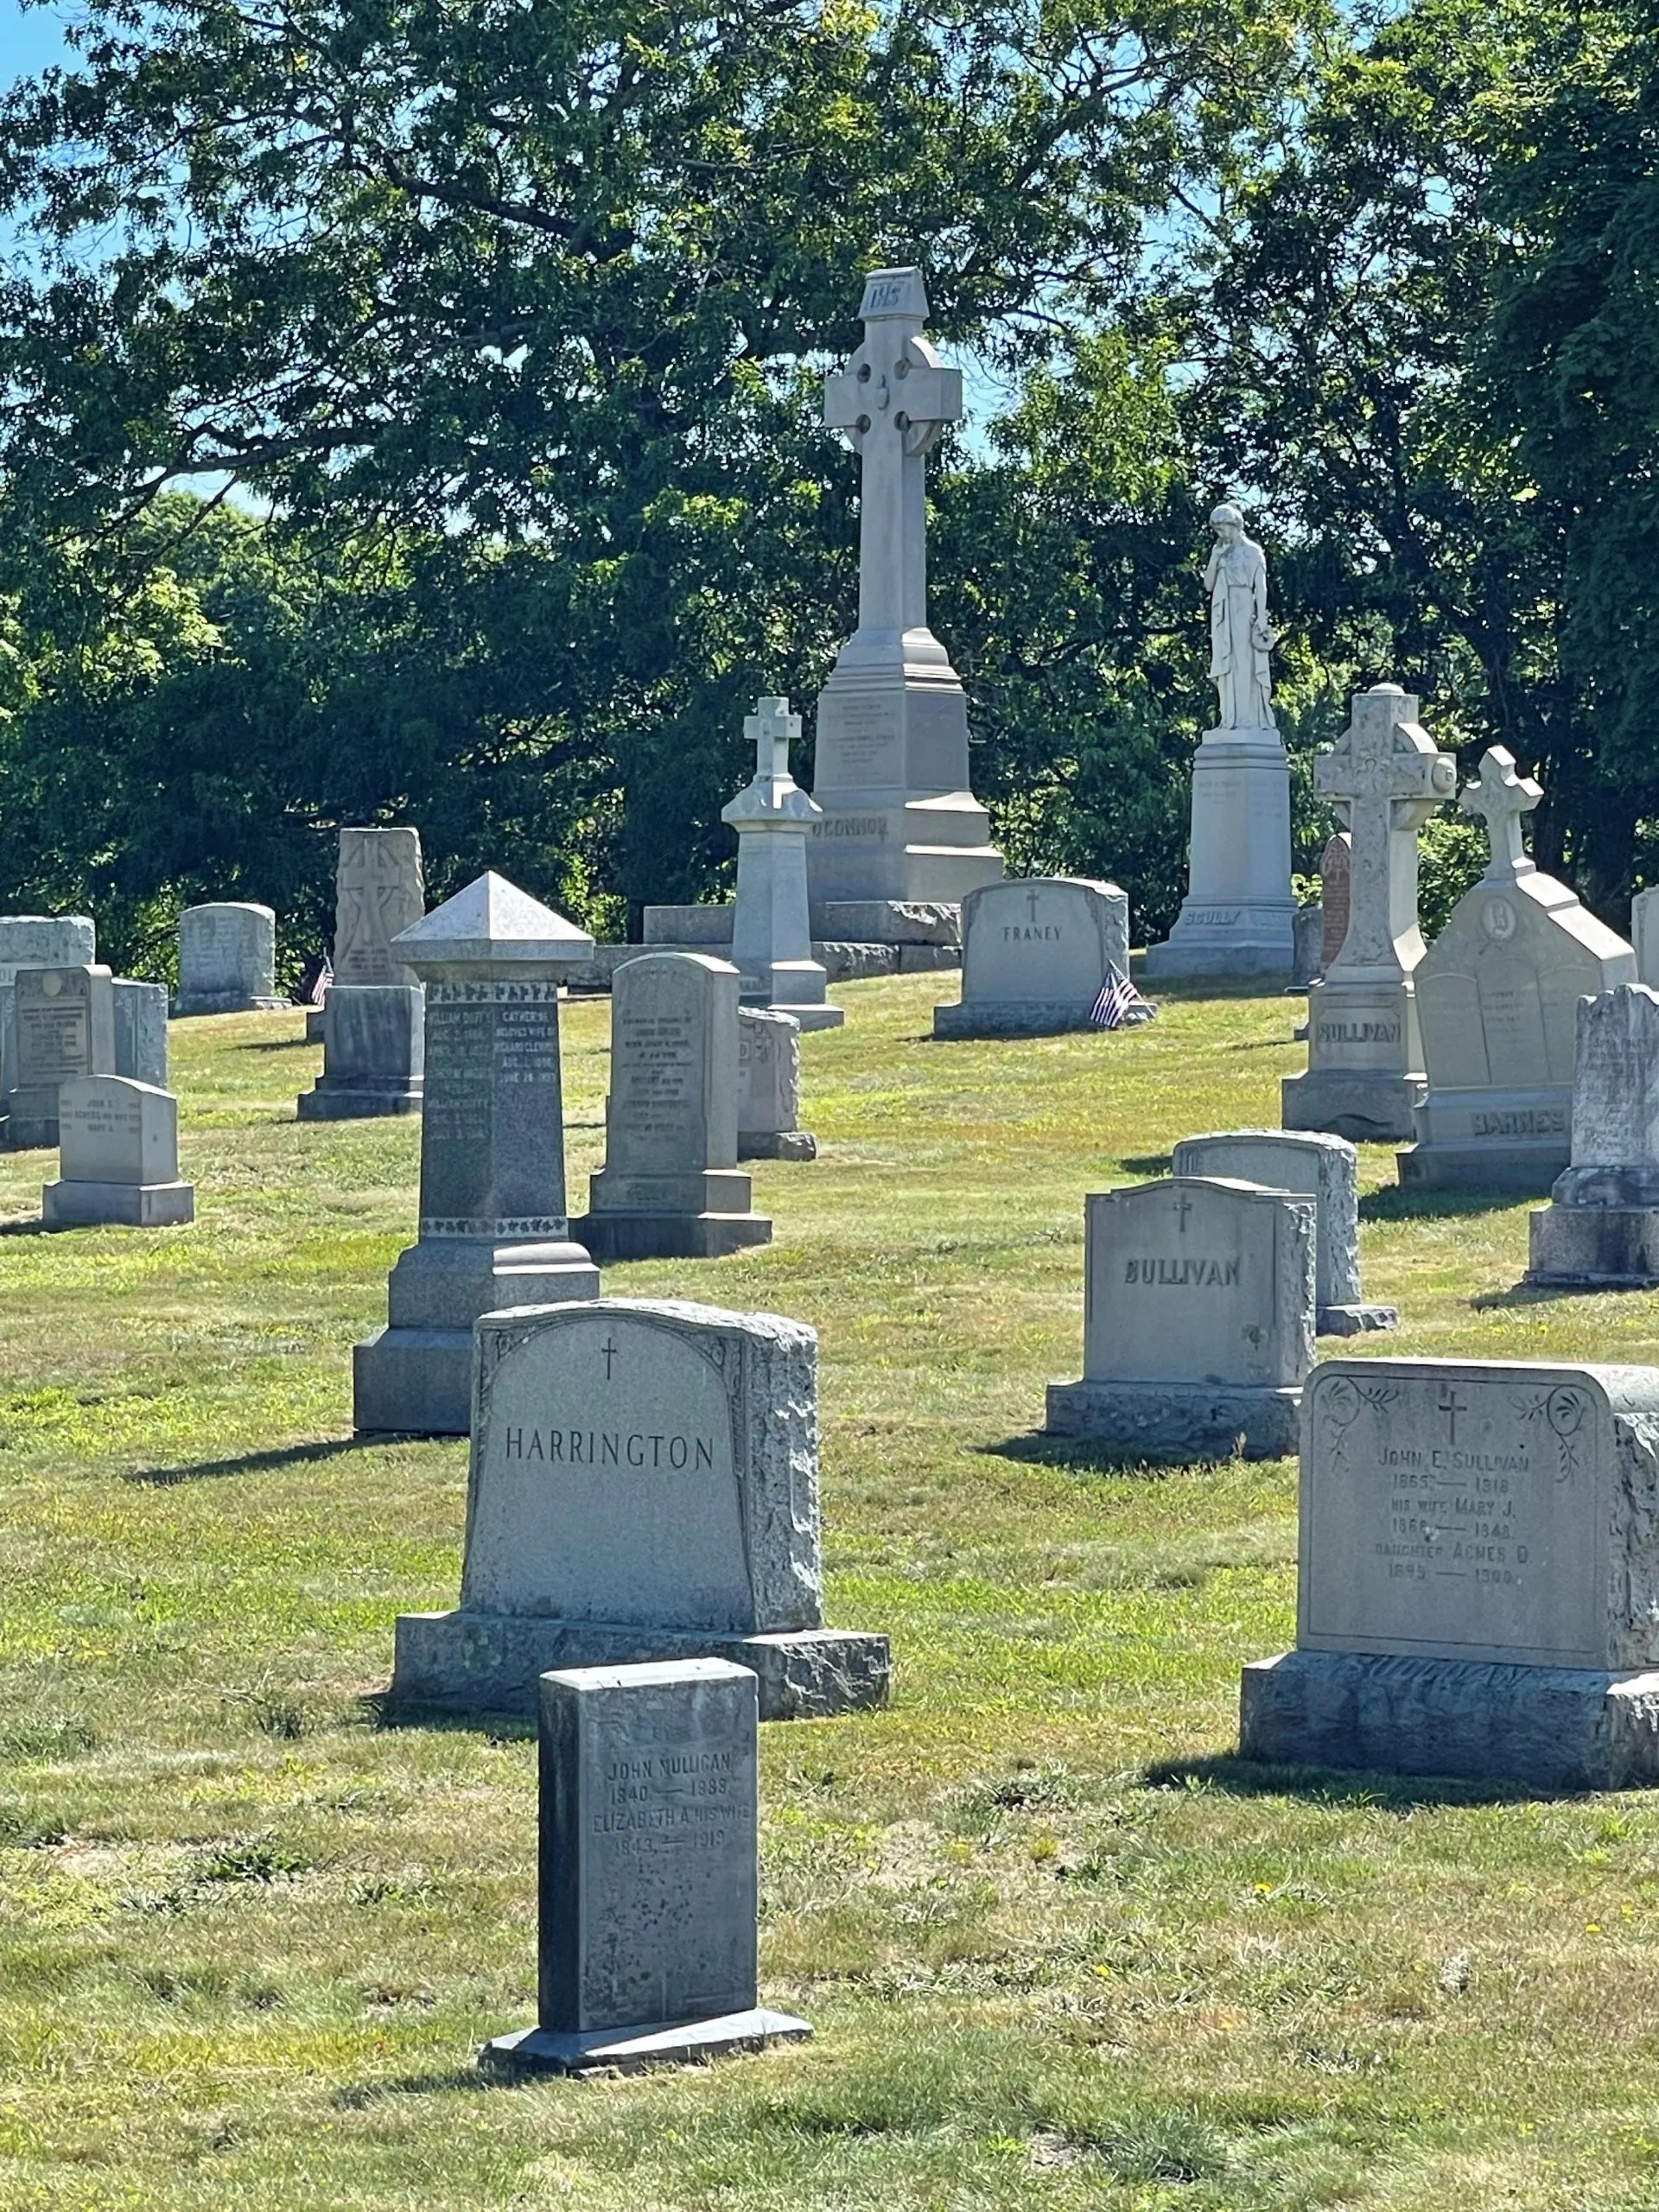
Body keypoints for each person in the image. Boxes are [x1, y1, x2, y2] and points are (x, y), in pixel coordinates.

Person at [1204, 503, 1276, 730]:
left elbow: (1261, 586)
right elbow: (1208, 585)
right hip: (1223, 613)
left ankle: (1248, 719)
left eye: (1223, 528)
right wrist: (1215, 559)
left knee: (1244, 663)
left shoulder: (1253, 551)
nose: (1221, 534)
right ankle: (1229, 718)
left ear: (1235, 525)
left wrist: (1262, 618)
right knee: (1227, 665)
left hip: (1244, 609)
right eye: (1217, 530)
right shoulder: (1220, 552)